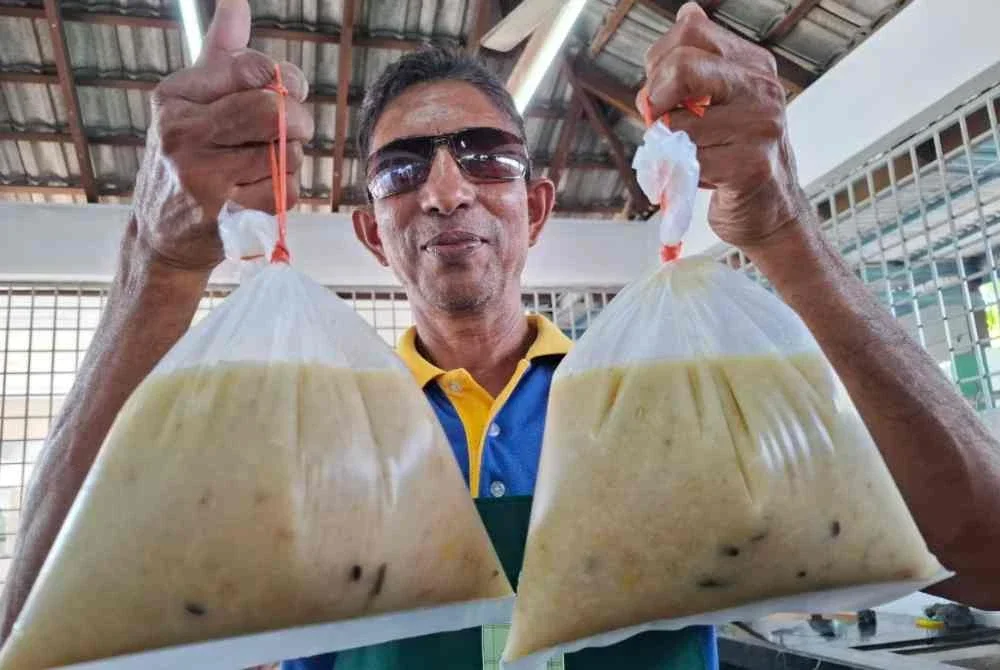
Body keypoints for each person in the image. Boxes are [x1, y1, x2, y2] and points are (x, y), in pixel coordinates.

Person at [2, 0, 1000, 668]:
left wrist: (782, 231)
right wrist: (158, 266)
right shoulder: (302, 430)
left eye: (483, 156)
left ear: (536, 202)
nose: (444, 191)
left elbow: (986, 561)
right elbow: (39, 626)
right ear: (368, 229)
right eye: (402, 171)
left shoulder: (659, 401)